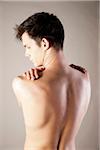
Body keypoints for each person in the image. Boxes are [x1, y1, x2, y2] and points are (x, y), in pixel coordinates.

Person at [12, 12, 91, 150]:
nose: (27, 54)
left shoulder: (22, 83)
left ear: (44, 43)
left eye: (28, 47)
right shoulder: (84, 78)